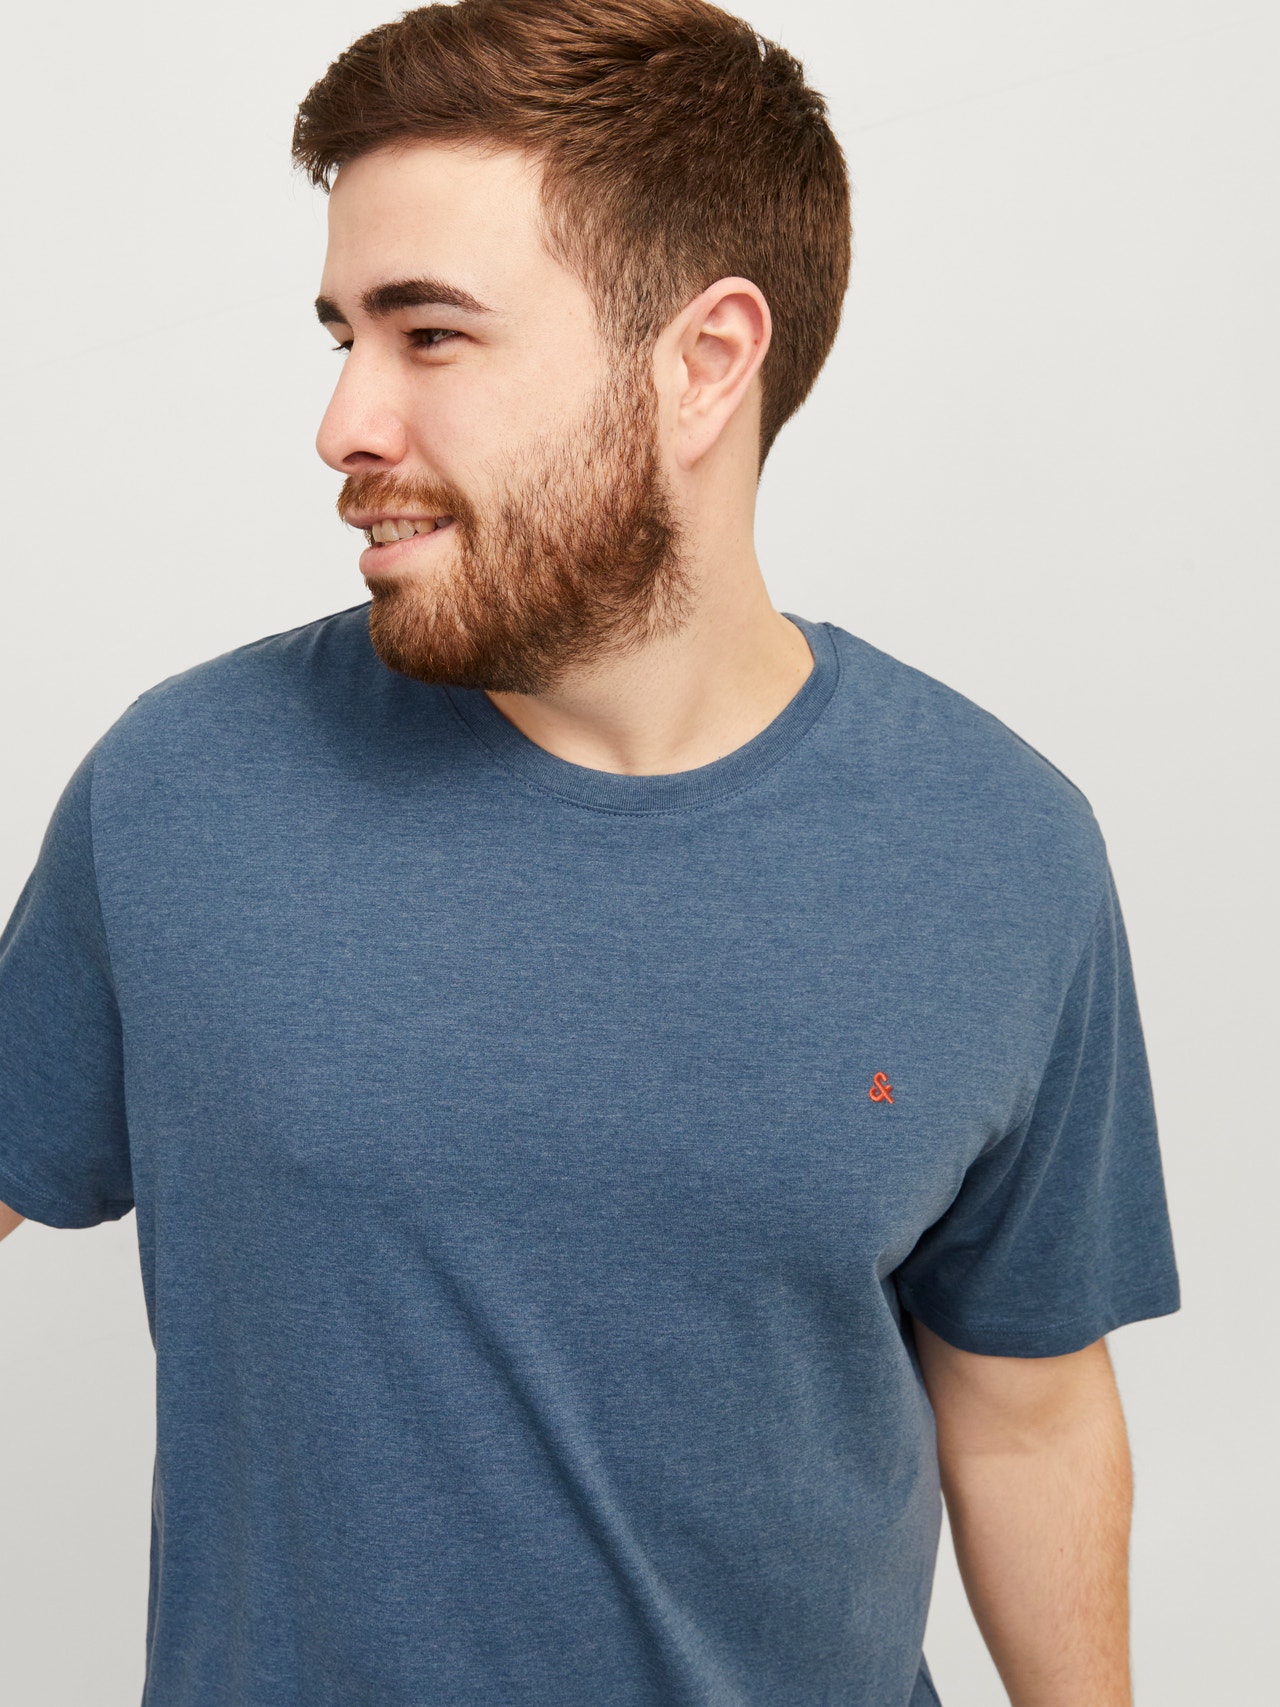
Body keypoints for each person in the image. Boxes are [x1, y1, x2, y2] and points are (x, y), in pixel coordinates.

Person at [0, 2, 1180, 1703]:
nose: (343, 421)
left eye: (430, 335)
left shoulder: (1004, 852)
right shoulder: (182, 790)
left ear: (704, 361)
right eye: (341, 333)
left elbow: (1028, 1414)